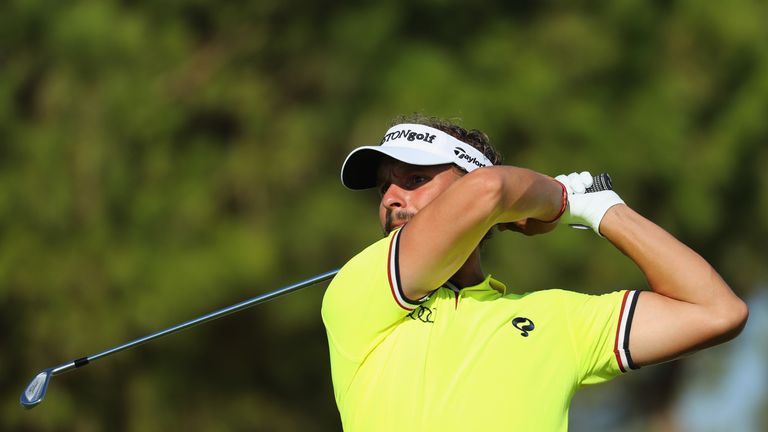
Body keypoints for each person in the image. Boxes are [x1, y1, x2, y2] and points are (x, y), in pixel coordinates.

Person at [321, 115, 748, 431]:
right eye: (384, 189)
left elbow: (716, 311)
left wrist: (603, 211)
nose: (392, 199)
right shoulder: (358, 288)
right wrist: (558, 199)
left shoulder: (555, 318)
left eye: (415, 178)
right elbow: (491, 190)